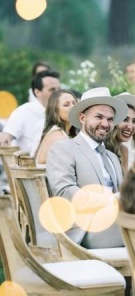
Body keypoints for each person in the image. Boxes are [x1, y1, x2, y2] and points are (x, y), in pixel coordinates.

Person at [46, 87, 128, 248]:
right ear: (82, 118)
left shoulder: (111, 157)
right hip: (82, 231)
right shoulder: (63, 148)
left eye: (110, 119)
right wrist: (110, 199)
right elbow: (64, 192)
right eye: (99, 117)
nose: (105, 124)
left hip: (115, 222)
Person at [0, 70, 60, 153]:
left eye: (59, 89)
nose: (57, 93)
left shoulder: (62, 112)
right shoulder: (23, 112)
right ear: (37, 92)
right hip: (27, 164)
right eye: (52, 90)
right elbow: (5, 138)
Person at [105, 93, 135, 175]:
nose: (130, 126)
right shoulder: (101, 148)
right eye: (125, 119)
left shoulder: (124, 150)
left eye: (134, 121)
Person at [36, 89, 78, 165]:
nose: (73, 107)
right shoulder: (59, 138)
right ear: (55, 110)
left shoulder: (63, 132)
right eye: (66, 105)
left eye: (74, 103)